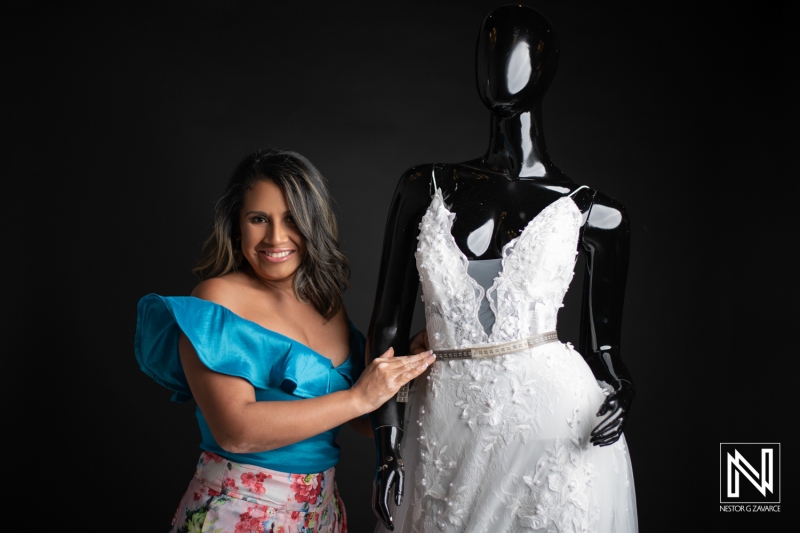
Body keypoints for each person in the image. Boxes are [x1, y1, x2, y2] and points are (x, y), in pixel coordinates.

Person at [368, 6, 637, 532]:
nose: (494, 64)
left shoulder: (597, 213)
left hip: (555, 428)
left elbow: (605, 351)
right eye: (487, 49)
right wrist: (385, 448)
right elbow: (388, 330)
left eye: (514, 50)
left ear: (548, 67)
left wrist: (622, 393)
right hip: (439, 425)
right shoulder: (423, 186)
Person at [135, 149, 435, 533]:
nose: (275, 237)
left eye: (292, 219)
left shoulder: (326, 305)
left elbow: (360, 419)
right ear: (237, 225)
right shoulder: (215, 298)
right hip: (239, 513)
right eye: (258, 219)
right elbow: (236, 431)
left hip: (323, 512)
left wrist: (407, 365)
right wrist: (359, 396)